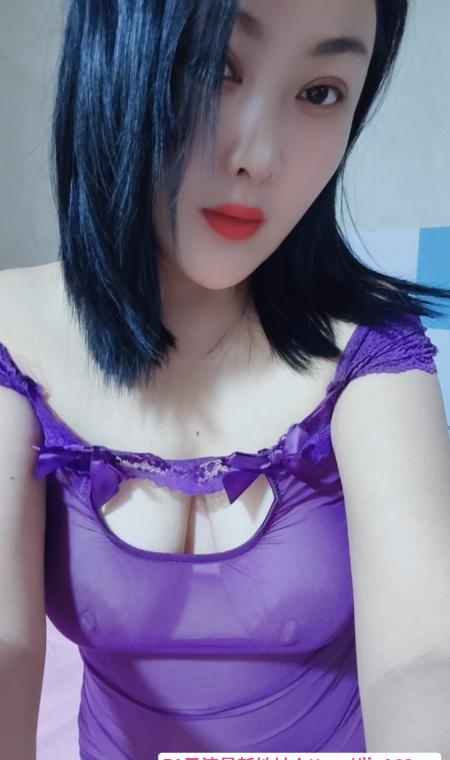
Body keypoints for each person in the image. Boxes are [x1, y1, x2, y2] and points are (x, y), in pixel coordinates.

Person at [1, 0, 450, 757]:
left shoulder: (370, 352)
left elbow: (425, 658)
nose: (260, 156)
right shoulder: (15, 333)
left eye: (320, 92)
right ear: (116, 52)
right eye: (211, 68)